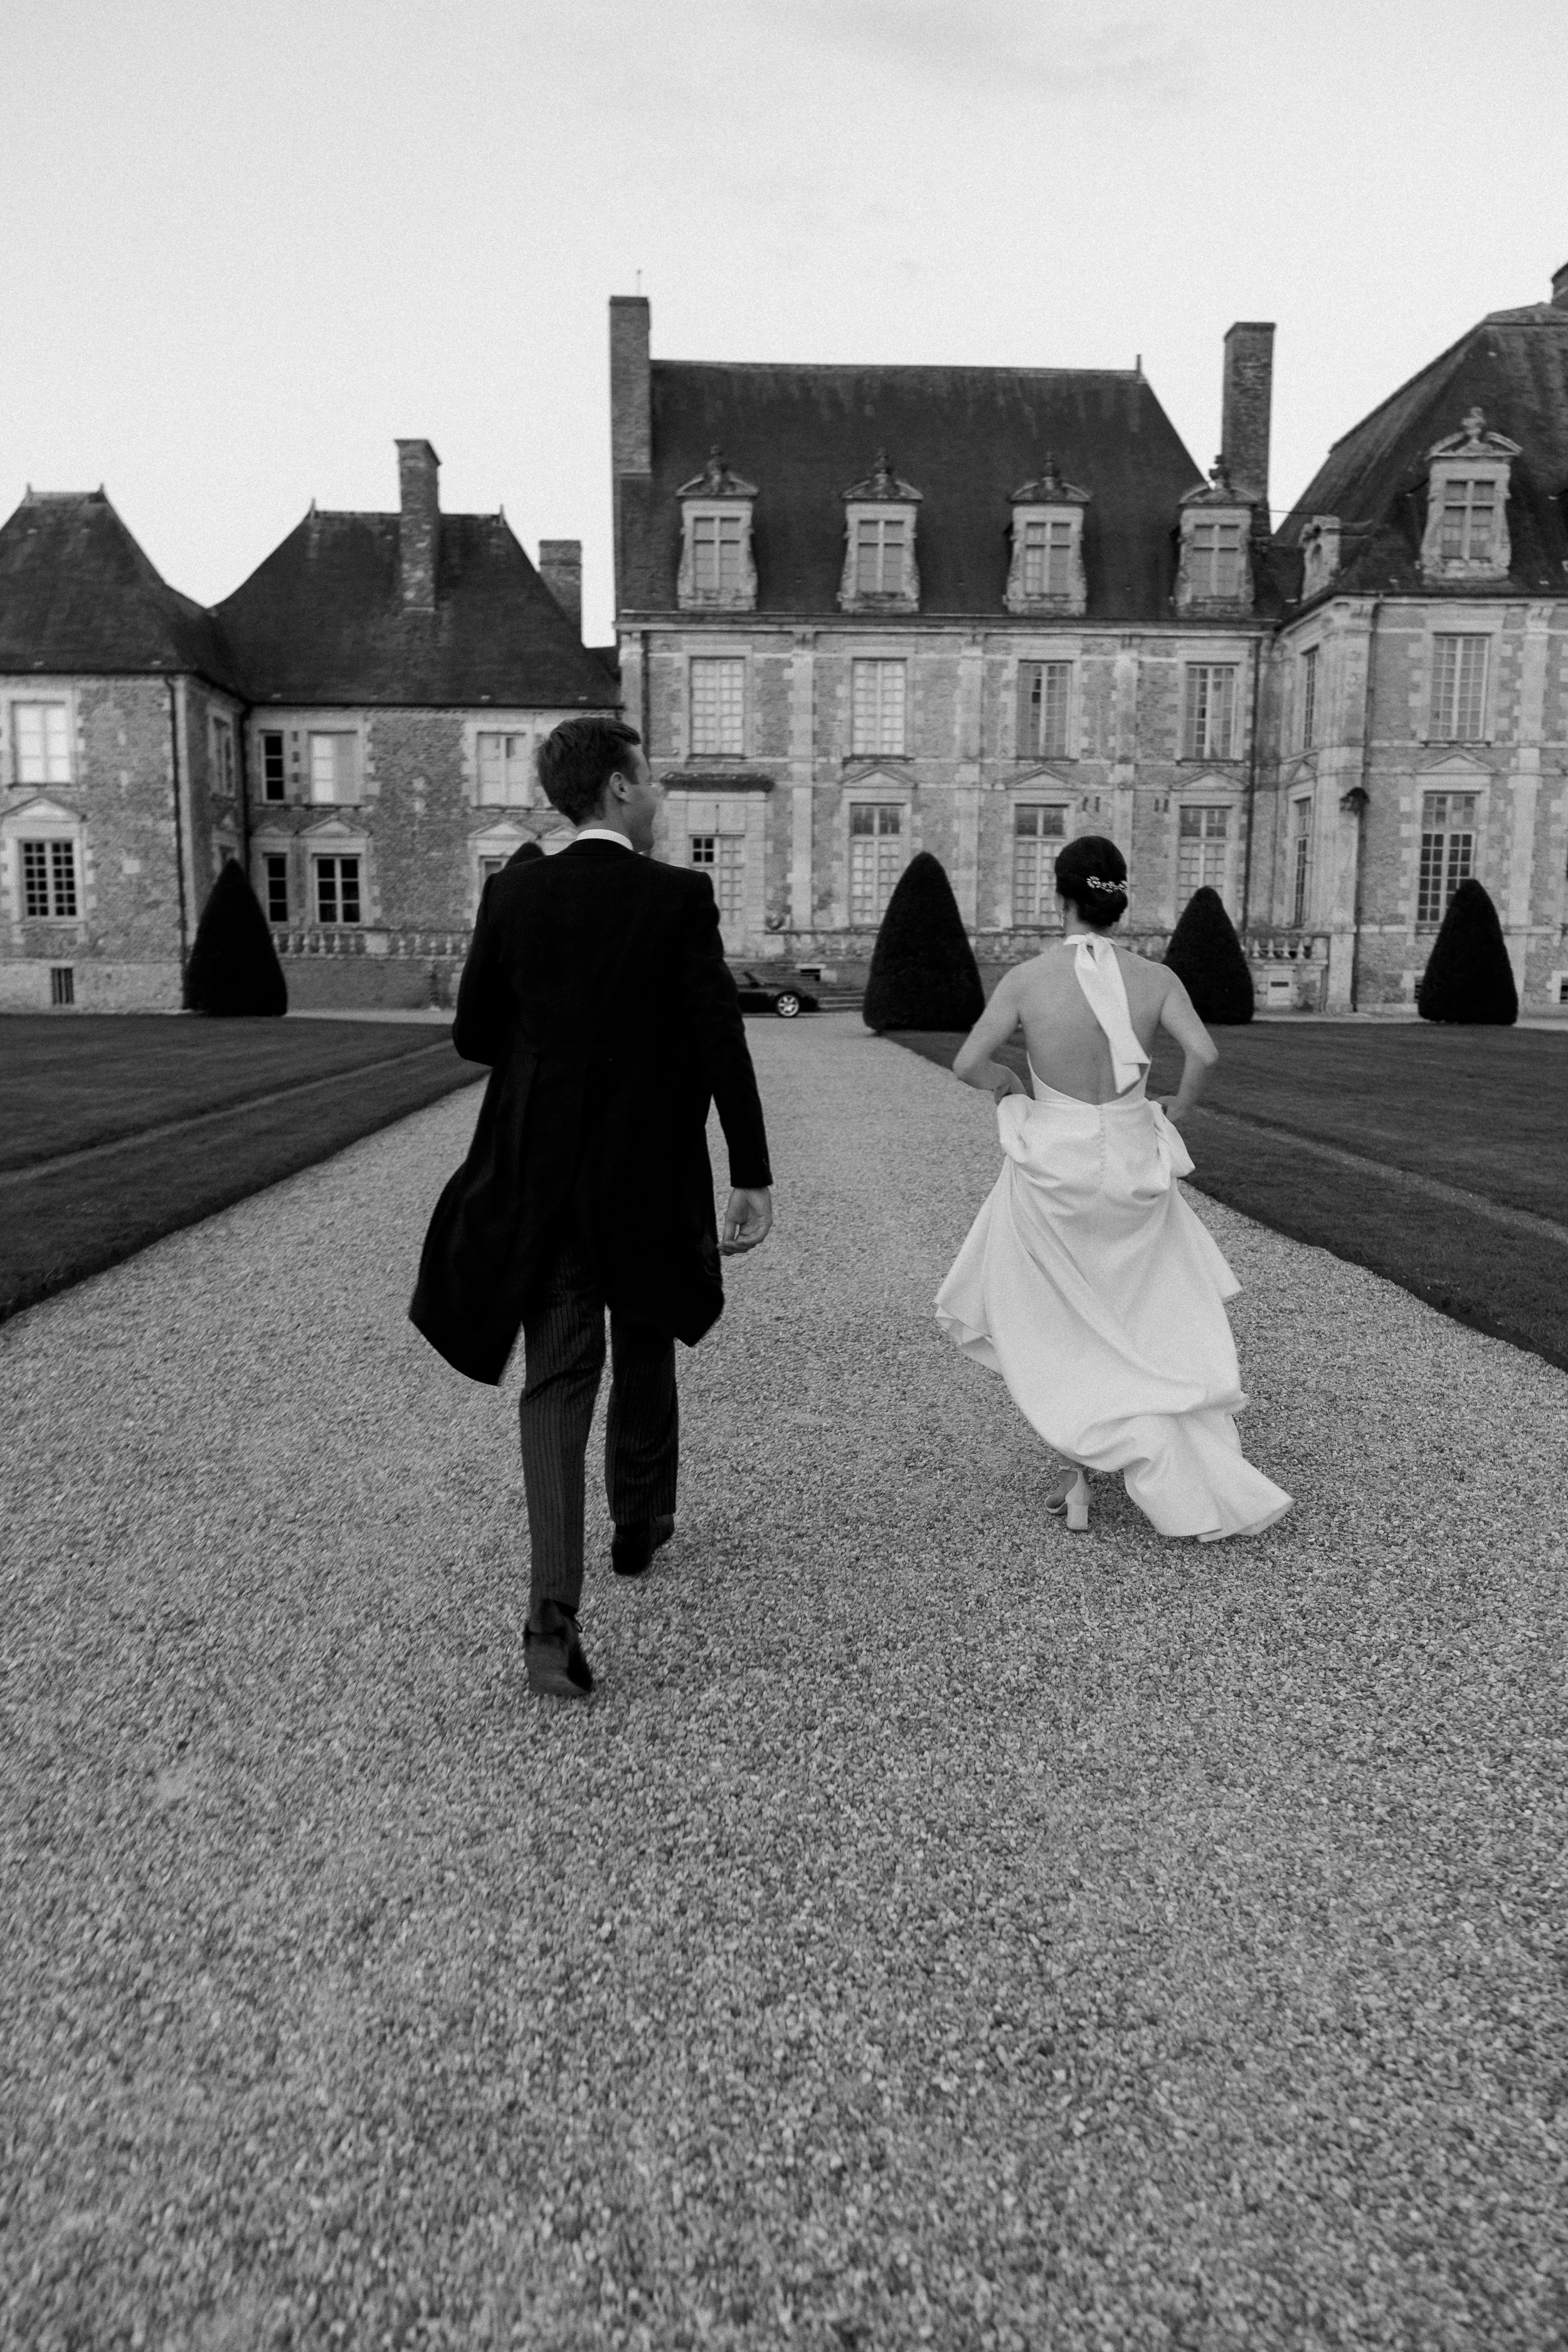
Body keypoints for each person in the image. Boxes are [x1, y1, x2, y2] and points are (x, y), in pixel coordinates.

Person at [409, 717, 774, 1698]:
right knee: (646, 1342)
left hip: (542, 1172)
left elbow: (476, 1034)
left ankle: (549, 1618)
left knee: (559, 1381)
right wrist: (750, 1170)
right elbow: (718, 1043)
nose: (658, 797)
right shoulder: (677, 897)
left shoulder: (515, 891)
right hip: (647, 1174)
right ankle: (638, 1524)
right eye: (649, 780)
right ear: (618, 788)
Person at [935, 835, 1290, 1543]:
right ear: (1117, 900)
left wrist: (1009, 1087)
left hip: (1053, 1165)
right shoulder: (1155, 979)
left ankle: (1077, 1481)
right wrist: (1173, 1110)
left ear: (1060, 898)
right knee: (1142, 1310)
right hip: (1131, 1160)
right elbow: (1205, 1053)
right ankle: (1149, 1443)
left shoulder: (1028, 978)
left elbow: (969, 1062)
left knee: (1059, 1322)